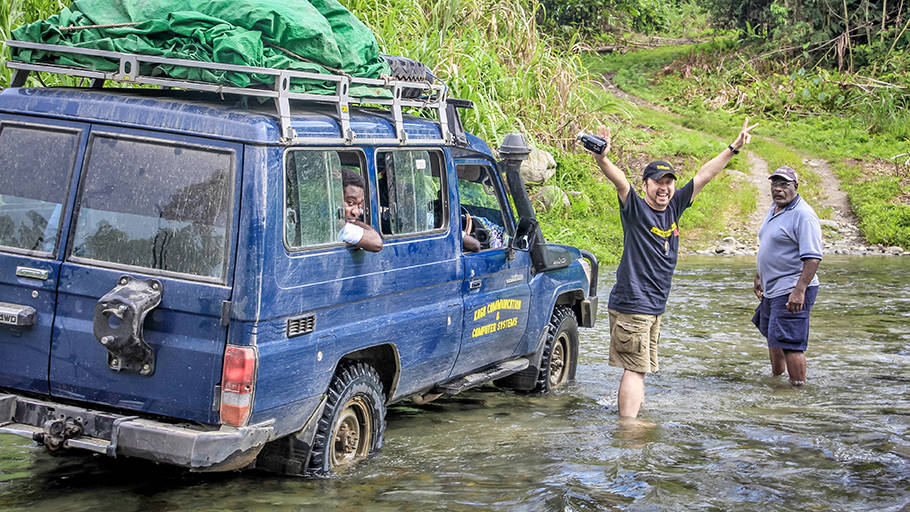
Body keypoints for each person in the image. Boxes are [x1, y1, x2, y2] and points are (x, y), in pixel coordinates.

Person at [585, 117, 758, 418]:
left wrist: (734, 148)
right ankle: (628, 428)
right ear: (646, 185)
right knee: (635, 369)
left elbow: (704, 175)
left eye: (669, 182)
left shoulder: (675, 206)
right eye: (658, 183)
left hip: (653, 305)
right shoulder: (636, 209)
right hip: (633, 302)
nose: (664, 188)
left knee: (642, 368)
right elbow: (620, 180)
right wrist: (602, 159)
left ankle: (632, 417)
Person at [752, 166, 822, 386]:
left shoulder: (803, 214)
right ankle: (777, 380)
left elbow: (813, 258)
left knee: (791, 342)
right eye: (775, 184)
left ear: (796, 187)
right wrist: (759, 275)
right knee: (774, 336)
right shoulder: (774, 208)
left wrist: (799, 291)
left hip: (792, 288)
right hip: (772, 287)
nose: (778, 189)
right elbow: (768, 244)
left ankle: (797, 390)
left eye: (784, 185)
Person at [339, 168, 383, 252]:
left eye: (359, 205)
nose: (356, 212)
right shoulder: (342, 230)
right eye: (350, 203)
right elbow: (376, 243)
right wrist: (353, 222)